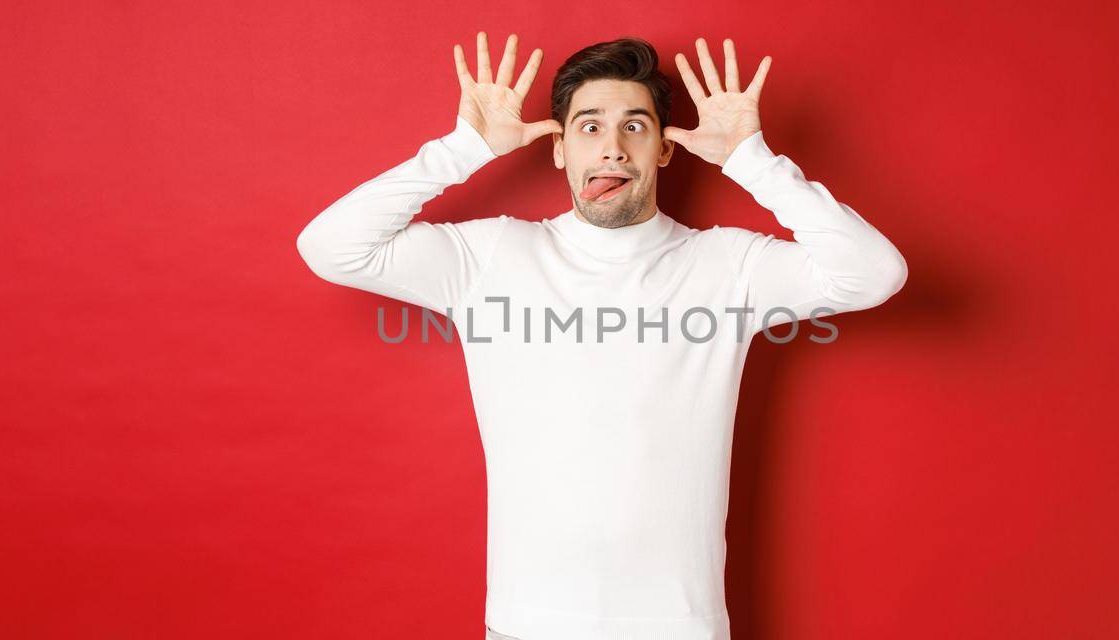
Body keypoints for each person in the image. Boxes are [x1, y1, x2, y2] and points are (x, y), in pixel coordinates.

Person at [296, 31, 907, 640]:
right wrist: (461, 150)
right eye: (589, 127)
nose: (612, 148)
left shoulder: (729, 265)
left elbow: (874, 274)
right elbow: (330, 247)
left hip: (680, 626)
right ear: (559, 149)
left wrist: (752, 161)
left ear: (665, 150)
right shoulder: (490, 256)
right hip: (526, 623)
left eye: (635, 127)